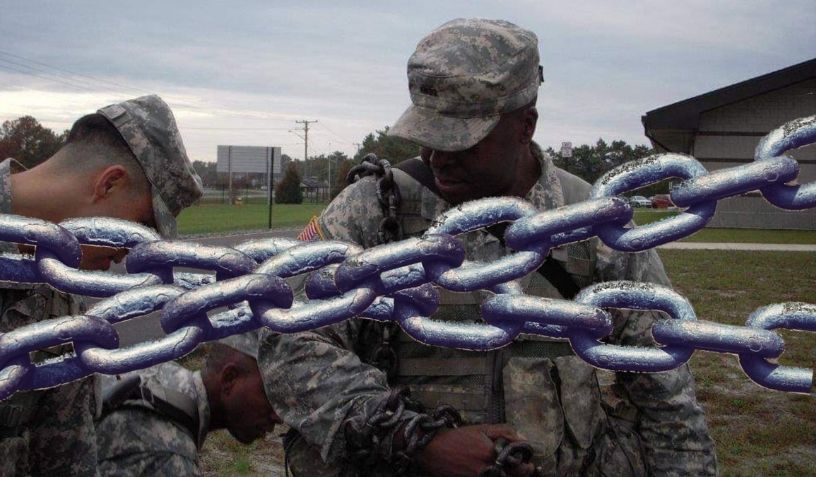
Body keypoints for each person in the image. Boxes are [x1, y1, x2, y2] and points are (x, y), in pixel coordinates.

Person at [258, 18, 718, 476]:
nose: (437, 157)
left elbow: (667, 398)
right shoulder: (373, 211)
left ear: (526, 125)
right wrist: (416, 440)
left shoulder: (591, 225)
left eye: (461, 140)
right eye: (428, 136)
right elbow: (290, 342)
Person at [0, 94, 203, 475]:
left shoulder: (65, 309)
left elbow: (66, 459)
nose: (126, 255)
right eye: (140, 227)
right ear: (109, 184)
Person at [96, 334, 281, 476]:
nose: (278, 415)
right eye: (271, 395)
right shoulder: (171, 459)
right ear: (229, 379)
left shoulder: (157, 373)